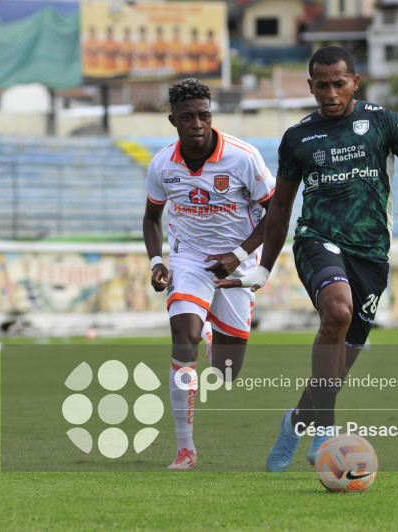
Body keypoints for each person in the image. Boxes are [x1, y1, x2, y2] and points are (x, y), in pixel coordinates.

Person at [216, 46, 398, 472]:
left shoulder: (385, 121)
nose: (330, 92)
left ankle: (296, 421)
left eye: (339, 83)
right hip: (317, 240)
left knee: (340, 363)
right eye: (321, 85)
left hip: (372, 253)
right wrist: (263, 268)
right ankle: (325, 429)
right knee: (337, 312)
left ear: (355, 82)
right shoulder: (298, 137)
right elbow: (280, 208)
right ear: (310, 86)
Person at [142, 78, 276, 470]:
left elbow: (276, 212)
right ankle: (186, 450)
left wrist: (238, 255)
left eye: (204, 115)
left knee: (227, 372)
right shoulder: (162, 164)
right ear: (173, 121)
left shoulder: (243, 157)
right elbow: (152, 218)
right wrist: (157, 261)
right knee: (183, 339)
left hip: (238, 261)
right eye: (188, 117)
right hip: (188, 259)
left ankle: (216, 333)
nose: (197, 123)